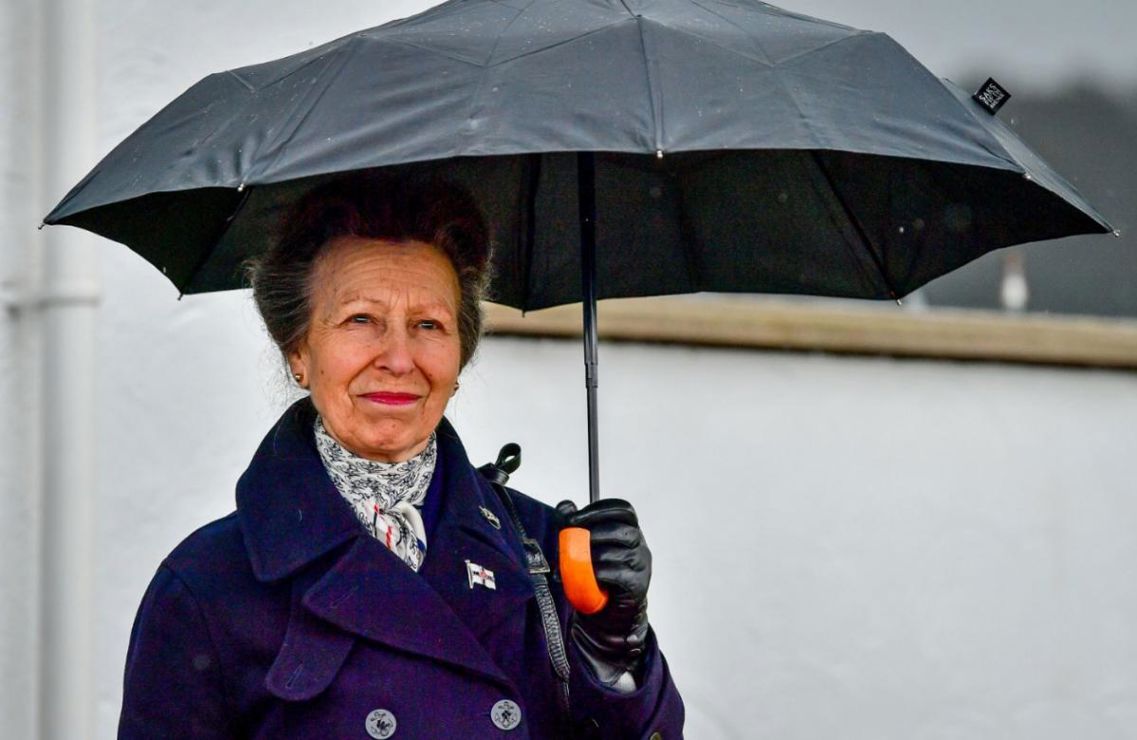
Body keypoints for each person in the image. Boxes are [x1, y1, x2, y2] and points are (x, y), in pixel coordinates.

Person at [118, 172, 685, 738]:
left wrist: (615, 656)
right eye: (361, 319)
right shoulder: (207, 585)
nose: (398, 357)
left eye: (428, 325)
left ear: (459, 358)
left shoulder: (547, 553)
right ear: (298, 349)